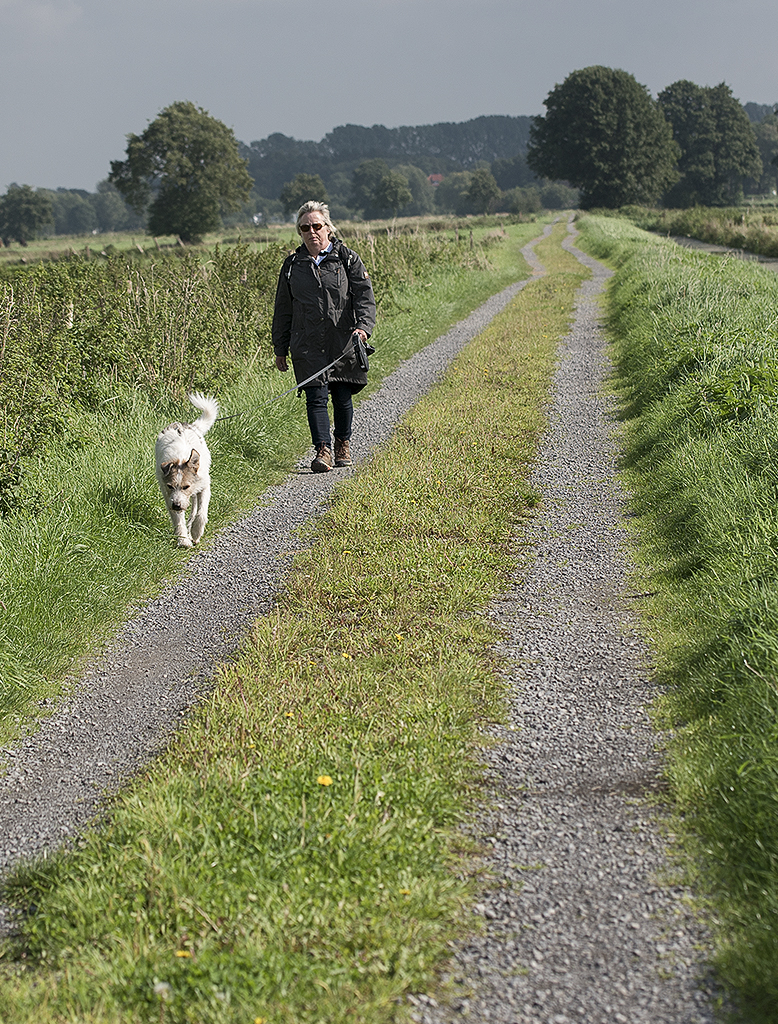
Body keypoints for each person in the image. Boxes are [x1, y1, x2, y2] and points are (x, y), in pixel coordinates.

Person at [272, 201, 377, 473]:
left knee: (342, 395)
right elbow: (283, 309)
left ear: (328, 228)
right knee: (315, 397)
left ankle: (342, 443)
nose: (311, 232)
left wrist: (363, 328)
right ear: (299, 232)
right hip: (306, 342)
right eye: (305, 228)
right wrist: (280, 347)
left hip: (342, 340)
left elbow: (364, 297)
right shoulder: (292, 265)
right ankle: (323, 450)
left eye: (316, 226)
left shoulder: (348, 259)